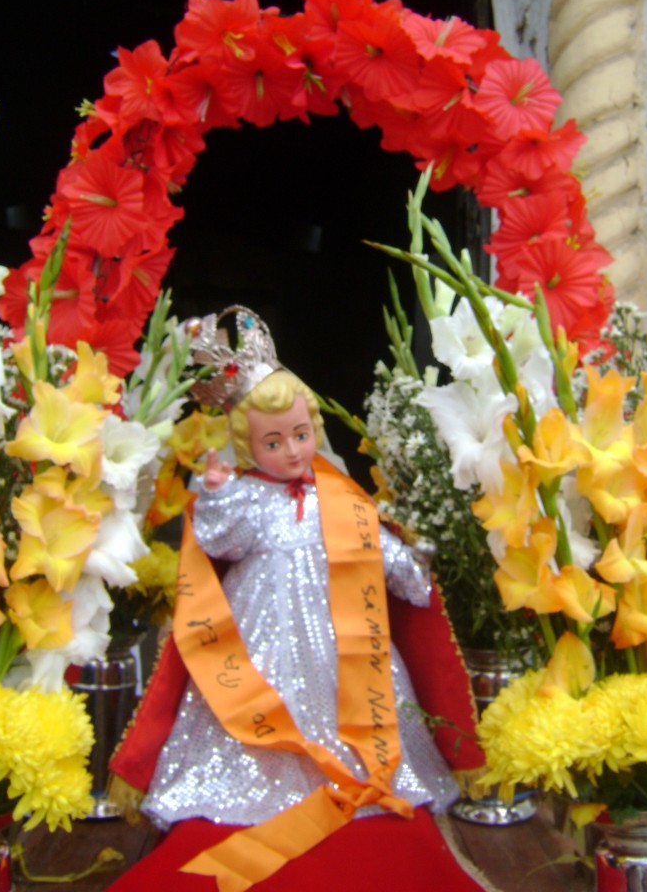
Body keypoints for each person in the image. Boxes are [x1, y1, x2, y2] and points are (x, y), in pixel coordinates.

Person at [107, 307, 487, 892]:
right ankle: (258, 784)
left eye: (301, 435)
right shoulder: (248, 500)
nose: (291, 451)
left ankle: (362, 776)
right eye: (274, 441)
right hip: (261, 643)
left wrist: (414, 568)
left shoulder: (341, 495)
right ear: (247, 445)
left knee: (358, 695)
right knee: (256, 711)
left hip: (345, 645)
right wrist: (212, 494)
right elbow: (213, 537)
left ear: (314, 427)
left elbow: (375, 548)